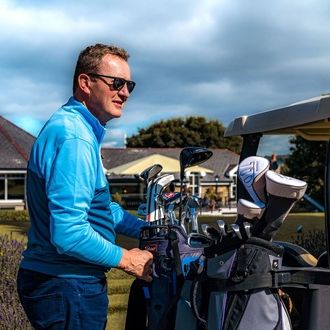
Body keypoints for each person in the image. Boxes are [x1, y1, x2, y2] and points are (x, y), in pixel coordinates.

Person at [17, 43, 153, 329]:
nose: (125, 93)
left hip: (64, 284)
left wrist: (147, 230)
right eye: (116, 83)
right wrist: (127, 259)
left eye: (130, 85)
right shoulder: (74, 138)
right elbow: (69, 234)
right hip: (66, 285)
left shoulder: (79, 130)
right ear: (85, 83)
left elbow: (102, 209)